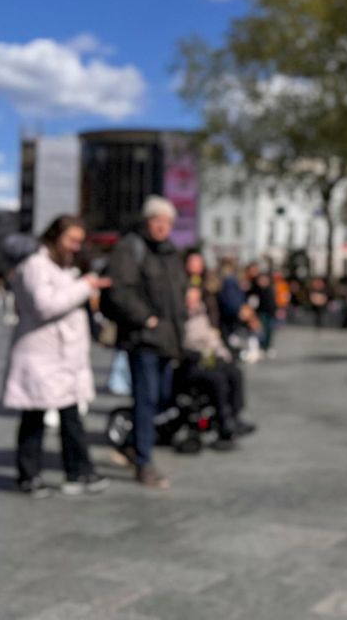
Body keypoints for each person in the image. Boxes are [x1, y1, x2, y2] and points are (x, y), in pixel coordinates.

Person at [2, 216, 111, 497]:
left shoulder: (61, 267)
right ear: (55, 237)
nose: (75, 247)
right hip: (42, 357)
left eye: (78, 241)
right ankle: (30, 475)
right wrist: (84, 286)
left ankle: (78, 471)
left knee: (70, 416)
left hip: (63, 358)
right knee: (35, 415)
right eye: (71, 240)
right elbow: (45, 305)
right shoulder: (35, 266)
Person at [105, 196, 187, 489]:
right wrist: (145, 318)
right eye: (157, 221)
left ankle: (132, 444)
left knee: (161, 397)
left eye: (168, 223)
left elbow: (178, 296)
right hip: (143, 338)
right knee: (146, 397)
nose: (163, 227)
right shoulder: (131, 248)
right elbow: (120, 290)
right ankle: (143, 461)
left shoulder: (170, 253)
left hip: (167, 339)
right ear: (147, 221)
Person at [182, 286, 256, 449]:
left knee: (235, 373)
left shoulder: (202, 315)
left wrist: (223, 355)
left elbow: (212, 339)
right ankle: (223, 421)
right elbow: (186, 341)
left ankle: (235, 415)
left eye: (196, 298)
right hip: (192, 360)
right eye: (190, 298)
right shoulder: (181, 317)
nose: (193, 302)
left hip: (210, 356)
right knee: (218, 379)